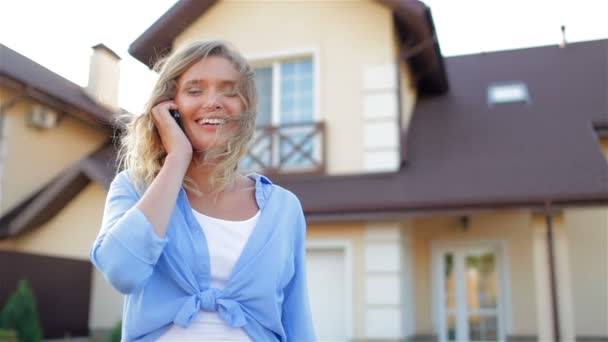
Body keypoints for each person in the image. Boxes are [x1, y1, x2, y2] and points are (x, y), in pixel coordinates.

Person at [90, 40, 316, 342]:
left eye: (229, 90)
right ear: (171, 106)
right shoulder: (134, 187)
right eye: (195, 90)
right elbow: (123, 272)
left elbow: (296, 316)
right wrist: (177, 159)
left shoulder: (284, 208)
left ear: (245, 107)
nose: (213, 101)